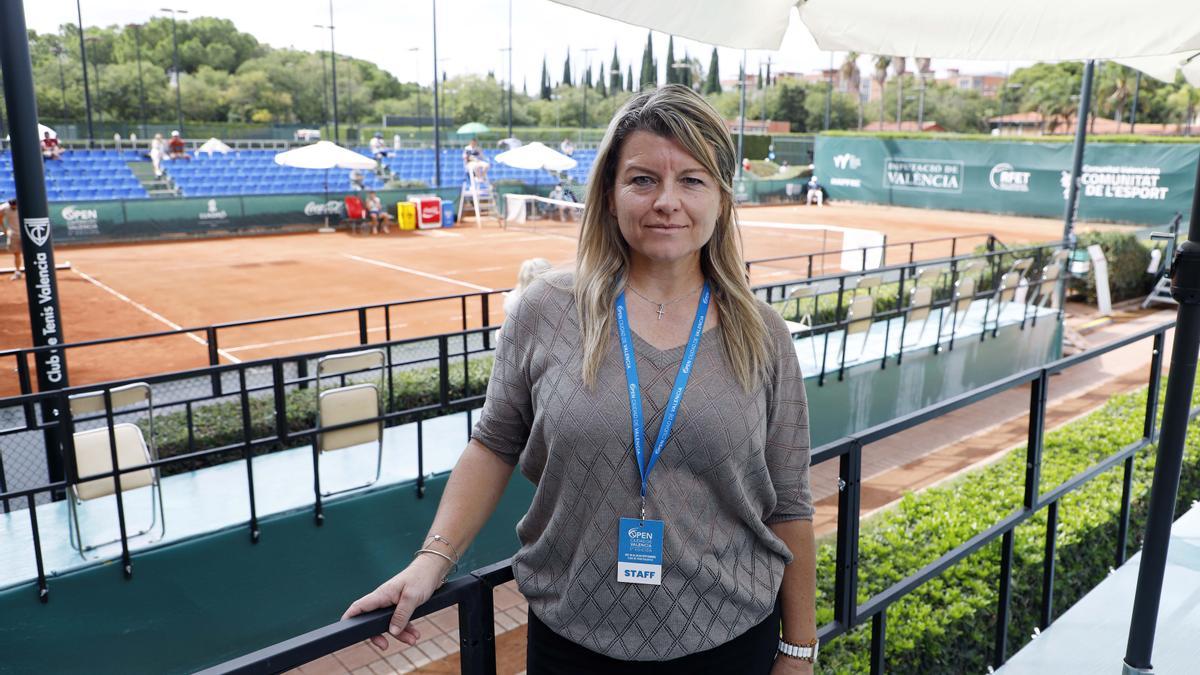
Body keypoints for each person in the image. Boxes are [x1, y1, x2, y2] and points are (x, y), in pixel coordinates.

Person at [343, 84, 817, 675]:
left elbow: (790, 502)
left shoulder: (763, 333)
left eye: (692, 180)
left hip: (730, 639)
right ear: (610, 194)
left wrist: (798, 651)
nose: (667, 200)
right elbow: (493, 443)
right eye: (643, 179)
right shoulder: (546, 309)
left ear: (721, 198)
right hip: (572, 641)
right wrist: (431, 560)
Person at [1, 199, 21, 280]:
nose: (14, 207)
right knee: (16, 253)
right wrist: (5, 230)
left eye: (15, 206)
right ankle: (18, 272)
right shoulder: (4, 207)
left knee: (31, 254)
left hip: (26, 234)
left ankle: (33, 272)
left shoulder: (25, 206)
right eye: (12, 206)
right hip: (14, 235)